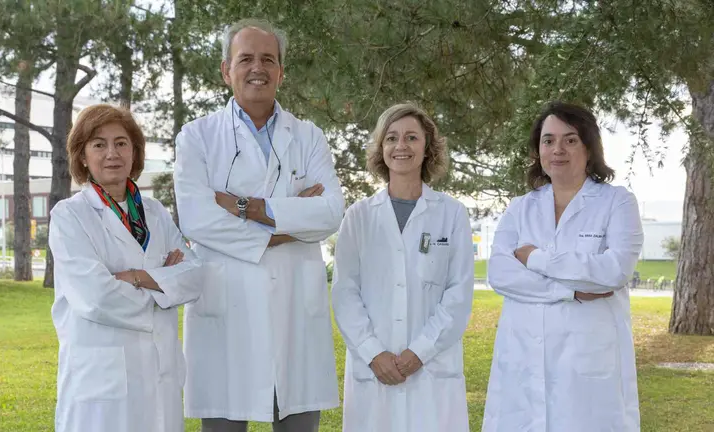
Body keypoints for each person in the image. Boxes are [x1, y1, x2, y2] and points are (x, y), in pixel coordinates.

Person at [174, 18, 344, 432]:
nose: (258, 68)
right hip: (226, 306)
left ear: (281, 71)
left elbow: (330, 212)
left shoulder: (308, 136)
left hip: (294, 309)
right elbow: (198, 220)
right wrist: (286, 225)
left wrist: (246, 207)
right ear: (225, 69)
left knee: (298, 418)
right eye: (245, 58)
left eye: (268, 59)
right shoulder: (197, 137)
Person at [482, 101, 644, 432]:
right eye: (548, 140)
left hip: (587, 363)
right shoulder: (520, 208)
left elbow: (614, 271)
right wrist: (569, 290)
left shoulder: (617, 202)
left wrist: (534, 258)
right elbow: (499, 274)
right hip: (523, 357)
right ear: (538, 149)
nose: (558, 149)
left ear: (588, 147)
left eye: (570, 140)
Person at [49, 104, 208, 432]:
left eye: (121, 143)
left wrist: (137, 278)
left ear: (135, 152)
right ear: (82, 156)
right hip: (102, 383)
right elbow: (96, 297)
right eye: (98, 144)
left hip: (160, 373)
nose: (112, 153)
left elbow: (195, 276)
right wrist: (165, 282)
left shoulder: (155, 213)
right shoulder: (69, 216)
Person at [332, 103, 475, 432]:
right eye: (391, 138)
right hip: (373, 369)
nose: (401, 146)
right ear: (381, 150)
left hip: (432, 368)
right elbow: (345, 293)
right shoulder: (359, 216)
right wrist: (373, 353)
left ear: (427, 148)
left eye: (412, 137)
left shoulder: (451, 214)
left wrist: (419, 352)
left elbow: (458, 293)